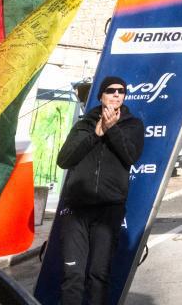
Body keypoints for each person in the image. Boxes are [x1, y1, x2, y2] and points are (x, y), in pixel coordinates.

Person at [55, 76, 144, 305]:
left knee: (98, 275)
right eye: (111, 90)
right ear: (101, 95)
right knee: (72, 275)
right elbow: (64, 160)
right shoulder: (84, 124)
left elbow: (130, 156)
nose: (116, 94)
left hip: (109, 210)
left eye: (121, 91)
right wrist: (96, 134)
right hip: (77, 210)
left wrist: (112, 130)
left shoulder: (132, 125)